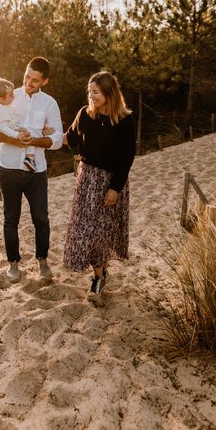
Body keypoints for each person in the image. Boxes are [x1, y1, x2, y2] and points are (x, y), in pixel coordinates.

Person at [0, 57, 63, 283]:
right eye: (27, 76)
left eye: (34, 80)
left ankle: (43, 261)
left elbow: (57, 138)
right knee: (11, 219)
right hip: (9, 167)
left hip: (36, 171)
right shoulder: (8, 94)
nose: (28, 82)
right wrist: (13, 140)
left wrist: (37, 140)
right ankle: (13, 264)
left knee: (41, 219)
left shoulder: (49, 104)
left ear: (44, 81)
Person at [63, 71, 136, 305]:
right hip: (86, 181)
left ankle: (98, 279)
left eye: (96, 92)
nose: (91, 96)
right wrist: (44, 136)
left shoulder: (124, 120)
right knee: (88, 229)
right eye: (90, 91)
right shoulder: (85, 114)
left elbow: (126, 157)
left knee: (101, 232)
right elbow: (71, 139)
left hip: (110, 182)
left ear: (109, 92)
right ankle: (99, 275)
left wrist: (115, 188)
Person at [0, 77, 37, 172]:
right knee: (27, 134)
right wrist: (16, 135)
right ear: (1, 99)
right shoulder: (1, 111)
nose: (14, 96)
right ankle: (29, 159)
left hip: (8, 126)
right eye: (11, 95)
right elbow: (3, 128)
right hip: (9, 128)